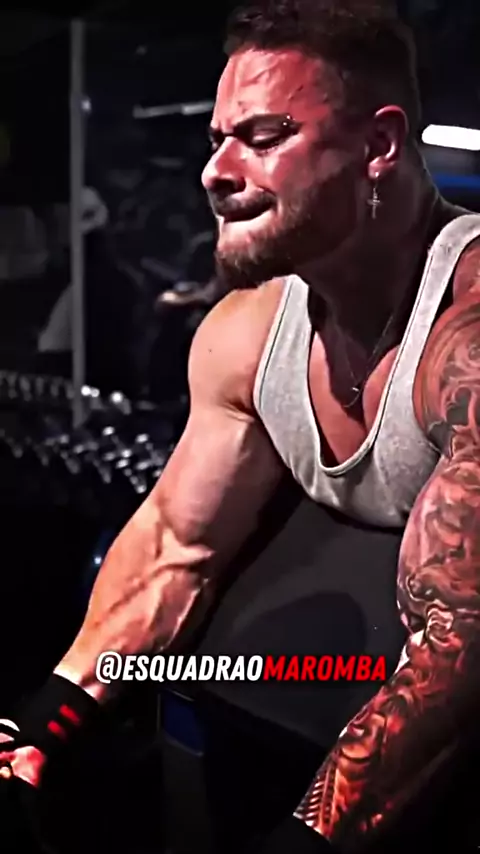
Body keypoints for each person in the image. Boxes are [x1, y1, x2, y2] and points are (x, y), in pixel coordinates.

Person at [2, 0, 480, 850]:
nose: (215, 171)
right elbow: (177, 545)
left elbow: (459, 643)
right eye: (218, 138)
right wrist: (51, 721)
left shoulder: (467, 337)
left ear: (378, 145)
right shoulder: (247, 331)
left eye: (263, 137)